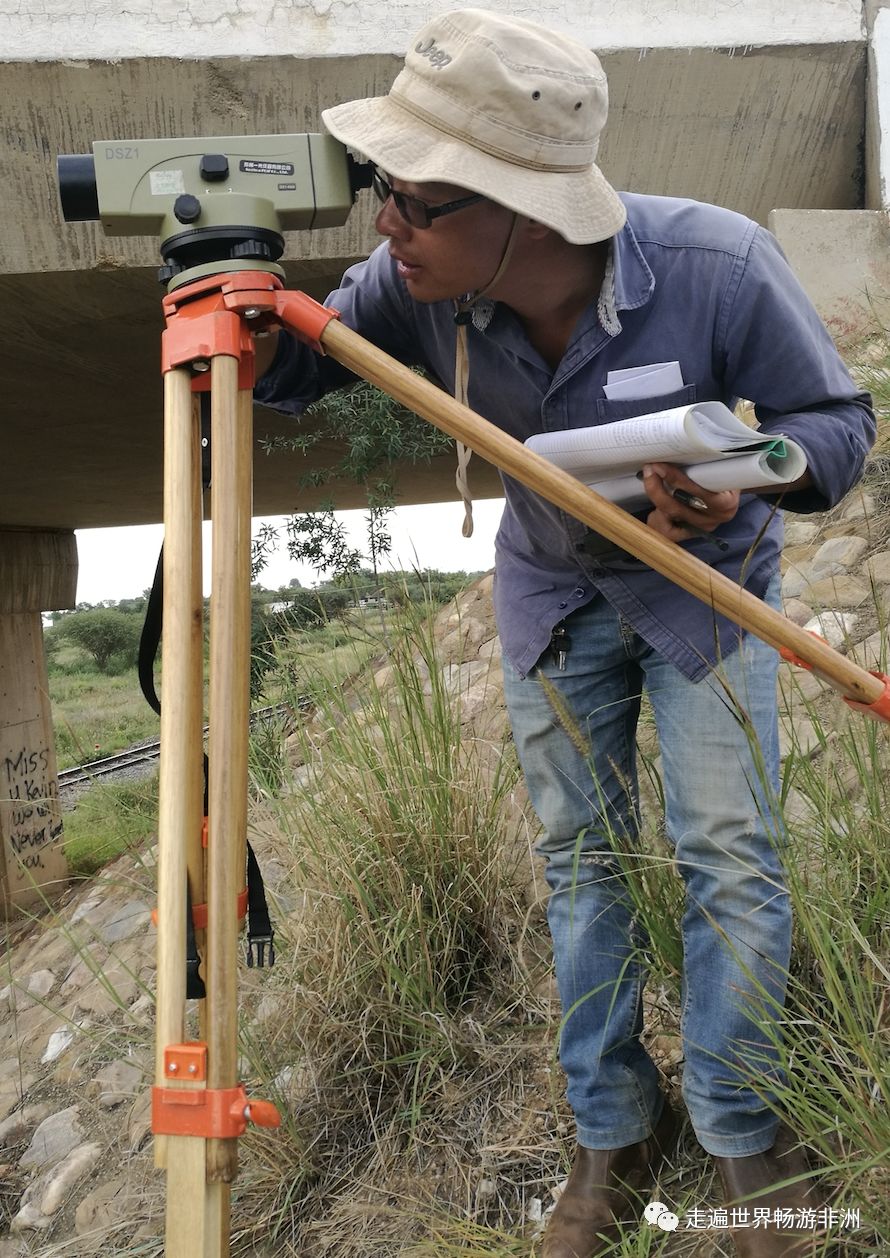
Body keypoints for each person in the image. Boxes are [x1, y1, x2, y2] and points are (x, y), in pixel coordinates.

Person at [254, 10, 876, 1256]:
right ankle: (611, 1130)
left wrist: (748, 474)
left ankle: (741, 1132)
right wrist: (250, 321)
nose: (385, 225)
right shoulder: (407, 287)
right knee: (580, 866)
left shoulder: (717, 264)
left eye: (415, 202)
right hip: (550, 597)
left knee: (727, 858)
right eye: (384, 188)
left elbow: (832, 425)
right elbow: (298, 369)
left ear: (522, 214)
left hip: (702, 593)